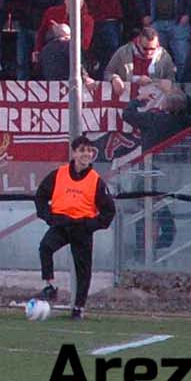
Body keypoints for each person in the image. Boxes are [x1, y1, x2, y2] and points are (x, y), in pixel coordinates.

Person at [33, 135, 116, 319]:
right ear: (74, 153)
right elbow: (40, 196)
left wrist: (90, 225)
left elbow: (108, 212)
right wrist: (49, 217)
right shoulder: (59, 174)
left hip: (82, 228)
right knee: (45, 247)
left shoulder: (96, 181)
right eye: (82, 150)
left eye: (89, 151)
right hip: (62, 224)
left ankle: (78, 308)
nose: (86, 154)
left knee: (83, 270)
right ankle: (50, 286)